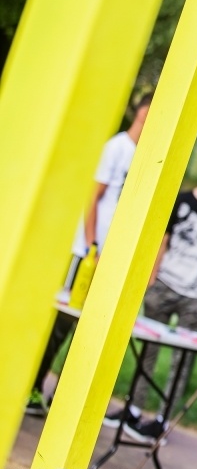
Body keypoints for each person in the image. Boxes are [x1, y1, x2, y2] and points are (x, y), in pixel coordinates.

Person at [103, 150, 197, 443]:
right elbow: (162, 241)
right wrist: (152, 282)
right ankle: (133, 409)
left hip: (196, 298)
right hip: (164, 287)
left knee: (183, 361)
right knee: (148, 352)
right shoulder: (179, 201)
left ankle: (161, 422)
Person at [26, 92, 152, 416]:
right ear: (141, 111)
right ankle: (32, 388)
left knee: (88, 330)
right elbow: (92, 197)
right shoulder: (117, 148)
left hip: (113, 258)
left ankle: (60, 399)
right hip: (88, 252)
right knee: (62, 324)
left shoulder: (146, 156)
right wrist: (91, 244)